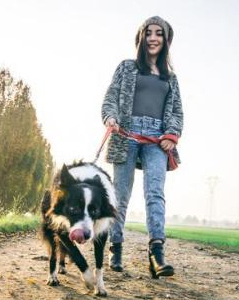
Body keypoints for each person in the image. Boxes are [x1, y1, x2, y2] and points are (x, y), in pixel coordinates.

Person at [101, 16, 183, 278]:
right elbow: (110, 97)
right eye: (148, 33)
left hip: (157, 139)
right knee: (120, 195)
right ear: (141, 37)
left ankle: (156, 254)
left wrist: (172, 133)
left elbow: (177, 111)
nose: (153, 38)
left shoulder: (170, 77)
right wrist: (110, 117)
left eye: (159, 33)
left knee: (154, 194)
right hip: (126, 133)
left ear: (166, 40)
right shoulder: (126, 67)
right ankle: (115, 247)